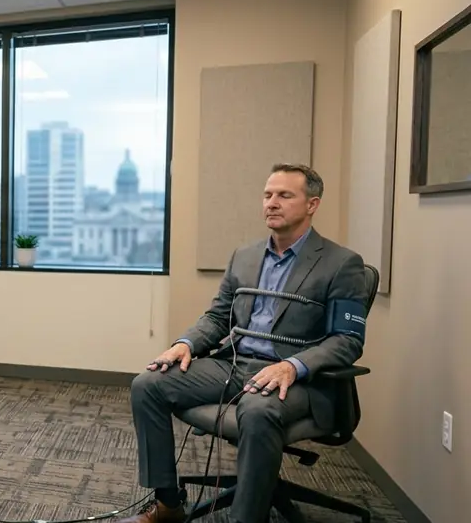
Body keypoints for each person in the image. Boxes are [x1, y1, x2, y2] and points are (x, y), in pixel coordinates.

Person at [120, 163, 370, 523]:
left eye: (285, 195)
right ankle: (168, 504)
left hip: (296, 378)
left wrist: (291, 366)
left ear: (312, 204)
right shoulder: (245, 256)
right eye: (268, 194)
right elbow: (218, 317)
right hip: (234, 365)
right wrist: (186, 343)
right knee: (148, 385)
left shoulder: (341, 263)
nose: (272, 202)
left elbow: (347, 341)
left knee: (256, 409)